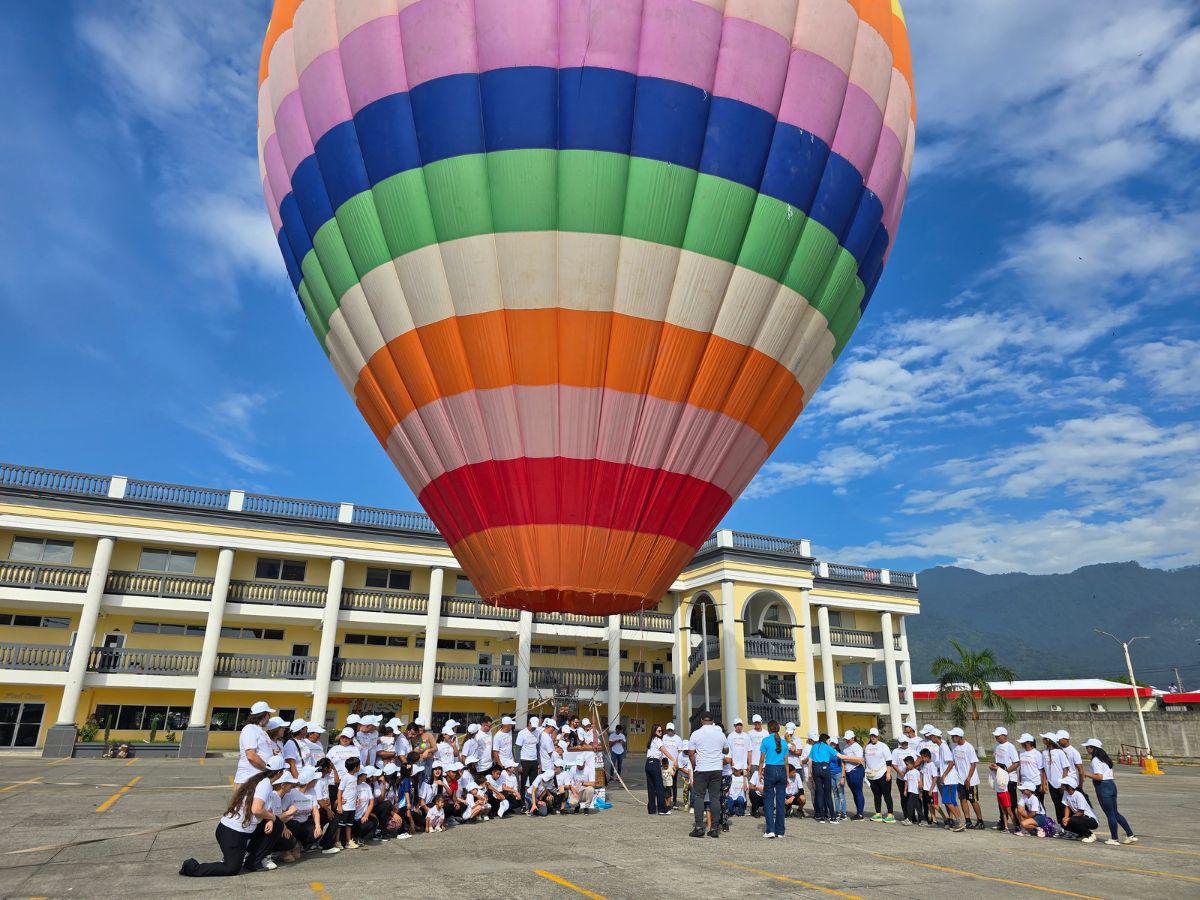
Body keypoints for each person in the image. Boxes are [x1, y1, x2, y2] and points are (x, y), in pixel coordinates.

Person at [180, 757, 287, 876]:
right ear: (279, 773)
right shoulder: (265, 784)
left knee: (277, 824)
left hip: (243, 830)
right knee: (231, 868)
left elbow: (260, 809)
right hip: (232, 832)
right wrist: (272, 817)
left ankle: (252, 862)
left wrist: (271, 820)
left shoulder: (260, 779)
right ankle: (191, 867)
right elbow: (256, 809)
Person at [1083, 738, 1136, 846]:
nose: (1086, 749)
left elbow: (1099, 776)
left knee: (1110, 814)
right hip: (1111, 785)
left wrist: (1086, 774)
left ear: (1093, 748)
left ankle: (1114, 838)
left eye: (1088, 747)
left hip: (1103, 787)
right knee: (1115, 813)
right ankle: (1130, 835)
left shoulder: (1095, 760)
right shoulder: (1104, 759)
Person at [687, 712, 728, 839]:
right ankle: (714, 828)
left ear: (701, 721)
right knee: (715, 797)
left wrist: (694, 766)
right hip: (716, 768)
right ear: (713, 721)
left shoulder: (696, 734)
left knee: (699, 796)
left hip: (702, 768)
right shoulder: (720, 734)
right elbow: (726, 750)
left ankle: (699, 827)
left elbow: (690, 753)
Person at [233, 701, 275, 793]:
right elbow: (251, 756)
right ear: (264, 715)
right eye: (269, 715)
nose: (269, 718)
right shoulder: (250, 729)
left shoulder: (261, 731)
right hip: (248, 780)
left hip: (258, 779)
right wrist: (267, 770)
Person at [757, 719, 789, 839]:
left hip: (770, 769)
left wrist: (760, 773)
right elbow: (786, 762)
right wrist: (786, 777)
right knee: (781, 802)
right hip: (781, 770)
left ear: (769, 729)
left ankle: (770, 830)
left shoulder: (765, 741)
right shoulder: (784, 742)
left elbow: (761, 760)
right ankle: (780, 831)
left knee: (769, 801)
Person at [949, 727, 984, 829]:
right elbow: (954, 762)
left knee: (973, 800)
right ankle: (968, 820)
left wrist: (968, 778)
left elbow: (973, 764)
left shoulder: (969, 747)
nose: (952, 738)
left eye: (953, 736)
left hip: (971, 780)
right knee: (962, 799)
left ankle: (980, 821)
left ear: (959, 736)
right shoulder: (954, 747)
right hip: (959, 779)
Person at [990, 727, 1021, 831]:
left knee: (1011, 803)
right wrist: (994, 767)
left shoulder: (1010, 747)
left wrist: (1005, 772)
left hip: (1010, 779)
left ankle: (1017, 824)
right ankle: (1003, 823)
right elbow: (997, 760)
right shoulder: (997, 745)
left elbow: (1016, 763)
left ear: (1004, 735)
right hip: (1000, 779)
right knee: (1001, 802)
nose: (996, 737)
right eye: (995, 735)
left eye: (998, 736)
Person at [864, 728, 895, 823]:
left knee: (886, 795)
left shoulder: (883, 746)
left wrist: (888, 773)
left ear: (877, 736)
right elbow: (866, 761)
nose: (873, 737)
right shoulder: (867, 747)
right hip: (872, 775)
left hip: (883, 773)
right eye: (871, 735)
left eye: (874, 736)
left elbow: (889, 760)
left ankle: (890, 814)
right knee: (876, 795)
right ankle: (878, 813)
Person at [807, 732, 837, 824]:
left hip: (816, 770)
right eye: (828, 740)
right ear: (825, 740)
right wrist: (856, 759)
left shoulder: (814, 747)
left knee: (819, 793)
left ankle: (822, 817)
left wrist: (809, 773)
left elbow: (809, 760)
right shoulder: (828, 747)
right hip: (825, 769)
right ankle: (832, 817)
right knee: (828, 794)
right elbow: (840, 756)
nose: (829, 742)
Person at [839, 730, 866, 820]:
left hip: (856, 770)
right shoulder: (846, 747)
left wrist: (846, 758)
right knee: (854, 793)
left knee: (858, 792)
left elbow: (859, 760)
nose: (847, 741)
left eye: (848, 739)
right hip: (848, 771)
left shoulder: (857, 747)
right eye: (846, 739)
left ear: (853, 738)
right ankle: (858, 811)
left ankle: (860, 813)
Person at [645, 723, 670, 815]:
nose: (661, 732)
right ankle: (661, 809)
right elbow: (665, 751)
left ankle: (651, 809)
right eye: (658, 731)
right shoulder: (658, 740)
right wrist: (673, 759)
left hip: (648, 763)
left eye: (661, 730)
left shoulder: (651, 740)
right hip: (654, 763)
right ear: (654, 731)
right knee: (659, 787)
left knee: (651, 787)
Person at [515, 717, 541, 797]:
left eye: (535, 727)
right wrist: (519, 764)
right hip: (524, 761)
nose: (533, 728)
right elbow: (517, 749)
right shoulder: (522, 733)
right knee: (523, 783)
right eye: (532, 726)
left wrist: (539, 762)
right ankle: (522, 803)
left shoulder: (537, 732)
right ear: (529, 723)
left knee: (534, 784)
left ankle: (533, 803)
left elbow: (537, 747)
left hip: (534, 761)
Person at [662, 722, 684, 808]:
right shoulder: (664, 737)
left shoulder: (678, 739)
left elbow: (680, 752)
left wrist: (677, 763)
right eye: (668, 730)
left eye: (671, 730)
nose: (670, 732)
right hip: (665, 764)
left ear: (674, 730)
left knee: (674, 784)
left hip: (674, 764)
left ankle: (674, 802)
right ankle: (667, 801)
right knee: (666, 783)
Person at [899, 755, 922, 825]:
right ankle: (920, 819)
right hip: (910, 792)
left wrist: (920, 792)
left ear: (912, 764)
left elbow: (919, 782)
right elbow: (906, 782)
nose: (906, 766)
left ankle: (909, 820)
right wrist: (905, 790)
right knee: (917, 806)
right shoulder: (908, 773)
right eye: (906, 765)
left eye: (907, 764)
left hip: (915, 792)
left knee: (910, 805)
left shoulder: (916, 772)